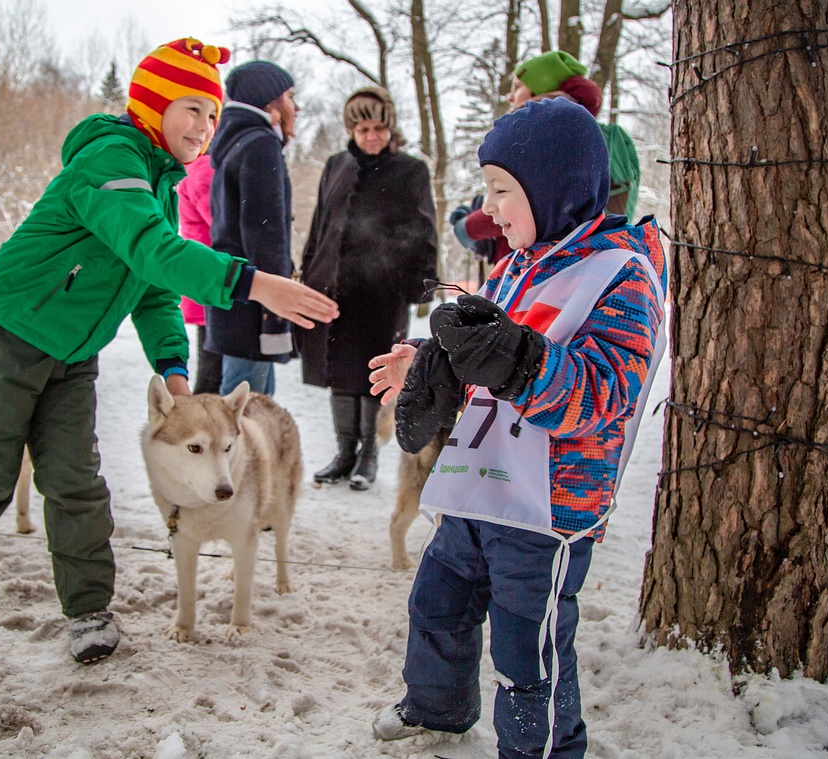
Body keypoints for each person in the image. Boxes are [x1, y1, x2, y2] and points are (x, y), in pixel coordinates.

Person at [0, 38, 338, 664]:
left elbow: (154, 288)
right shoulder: (111, 159)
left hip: (73, 354)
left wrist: (175, 373)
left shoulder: (158, 185)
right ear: (153, 104)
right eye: (191, 108)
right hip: (10, 335)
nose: (205, 126)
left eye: (213, 114)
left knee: (75, 480)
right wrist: (256, 282)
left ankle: (87, 610)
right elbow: (154, 250)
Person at [367, 98, 666, 758]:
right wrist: (428, 359)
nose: (490, 206)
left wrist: (517, 360)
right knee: (436, 603)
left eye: (503, 189)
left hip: (548, 505)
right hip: (480, 484)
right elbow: (481, 349)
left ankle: (543, 750)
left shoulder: (622, 275)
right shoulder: (515, 265)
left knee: (527, 646)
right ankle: (437, 707)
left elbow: (603, 392)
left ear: (553, 185)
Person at [297, 86, 437, 490]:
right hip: (333, 287)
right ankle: (344, 453)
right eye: (362, 128)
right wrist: (308, 273)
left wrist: (420, 284)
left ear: (390, 128)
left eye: (378, 127)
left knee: (372, 373)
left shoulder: (410, 170)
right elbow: (320, 224)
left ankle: (369, 456)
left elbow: (424, 228)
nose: (371, 135)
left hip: (382, 288)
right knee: (338, 372)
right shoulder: (336, 165)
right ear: (351, 129)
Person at [453, 50, 642, 260]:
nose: (510, 96)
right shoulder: (579, 133)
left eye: (517, 87)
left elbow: (539, 206)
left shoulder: (556, 138)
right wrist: (494, 245)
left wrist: (469, 228)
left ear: (541, 89)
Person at [205, 60, 298, 396]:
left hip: (234, 297)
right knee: (244, 416)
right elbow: (265, 234)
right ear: (269, 100)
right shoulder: (260, 145)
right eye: (289, 96)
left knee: (253, 406)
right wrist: (278, 306)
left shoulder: (234, 143)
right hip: (254, 304)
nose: (294, 106)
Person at [176, 152, 223, 394]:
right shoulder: (205, 168)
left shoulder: (197, 167)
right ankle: (198, 426)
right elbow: (221, 221)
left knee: (212, 370)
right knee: (212, 376)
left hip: (206, 283)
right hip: (213, 283)